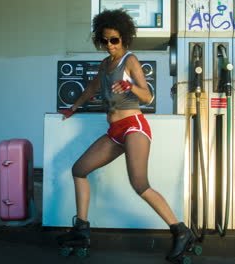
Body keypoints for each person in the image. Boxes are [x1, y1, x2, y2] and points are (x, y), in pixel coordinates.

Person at [57, 9, 195, 261]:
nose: (110, 45)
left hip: (133, 126)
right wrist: (74, 107)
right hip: (115, 131)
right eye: (106, 40)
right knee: (79, 170)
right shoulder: (105, 64)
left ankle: (180, 230)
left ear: (124, 38)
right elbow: (91, 87)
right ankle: (82, 230)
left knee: (140, 184)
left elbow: (148, 95)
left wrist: (130, 85)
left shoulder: (129, 60)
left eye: (115, 40)